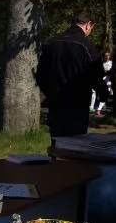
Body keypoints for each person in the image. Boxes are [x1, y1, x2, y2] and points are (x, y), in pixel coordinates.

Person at [36, 10, 109, 138]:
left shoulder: (52, 44)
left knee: (56, 141)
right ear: (89, 24)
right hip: (77, 104)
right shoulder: (87, 46)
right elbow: (96, 75)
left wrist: (50, 93)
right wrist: (103, 94)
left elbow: (40, 74)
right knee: (75, 143)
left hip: (55, 103)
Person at [90, 51, 112, 115]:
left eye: (108, 55)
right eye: (105, 55)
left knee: (105, 95)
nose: (106, 57)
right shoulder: (100, 63)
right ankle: (91, 106)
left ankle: (99, 109)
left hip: (107, 81)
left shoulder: (111, 63)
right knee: (94, 92)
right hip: (98, 79)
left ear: (109, 56)